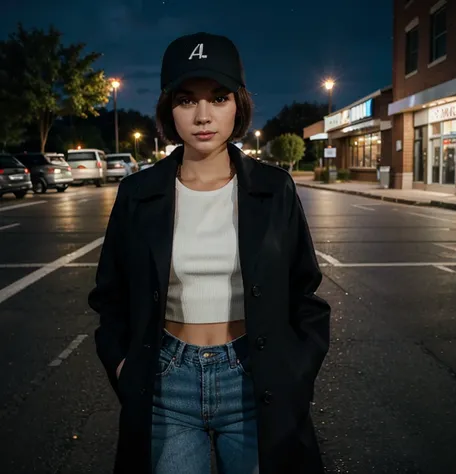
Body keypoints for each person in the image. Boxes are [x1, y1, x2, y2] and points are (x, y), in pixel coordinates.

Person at [88, 32, 331, 474]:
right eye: (187, 100)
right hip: (167, 385)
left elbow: (305, 292)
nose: (203, 115)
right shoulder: (137, 194)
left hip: (255, 380)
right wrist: (123, 366)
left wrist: (296, 371)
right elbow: (110, 295)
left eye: (218, 98)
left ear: (238, 104)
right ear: (169, 110)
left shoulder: (274, 190)